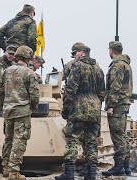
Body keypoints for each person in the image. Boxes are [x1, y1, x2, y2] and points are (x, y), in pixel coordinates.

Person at [0, 45, 39, 180]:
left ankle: (5, 168)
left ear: (17, 57)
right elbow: (35, 96)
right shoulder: (30, 73)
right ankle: (14, 172)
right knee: (20, 140)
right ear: (28, 58)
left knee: (8, 139)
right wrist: (32, 107)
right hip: (22, 111)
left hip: (7, 111)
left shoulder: (7, 71)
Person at [55, 45, 105, 180]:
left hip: (79, 107)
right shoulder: (99, 69)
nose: (74, 56)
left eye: (75, 53)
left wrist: (66, 109)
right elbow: (102, 93)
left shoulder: (77, 66)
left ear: (81, 53)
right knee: (91, 142)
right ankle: (92, 173)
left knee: (72, 139)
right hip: (95, 109)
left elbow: (70, 89)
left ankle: (69, 173)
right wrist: (95, 104)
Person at [102, 41, 133, 177]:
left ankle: (119, 166)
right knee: (122, 135)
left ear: (111, 50)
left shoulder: (117, 66)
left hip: (118, 104)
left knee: (117, 135)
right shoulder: (126, 64)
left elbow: (115, 87)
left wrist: (111, 105)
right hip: (124, 103)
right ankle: (126, 166)